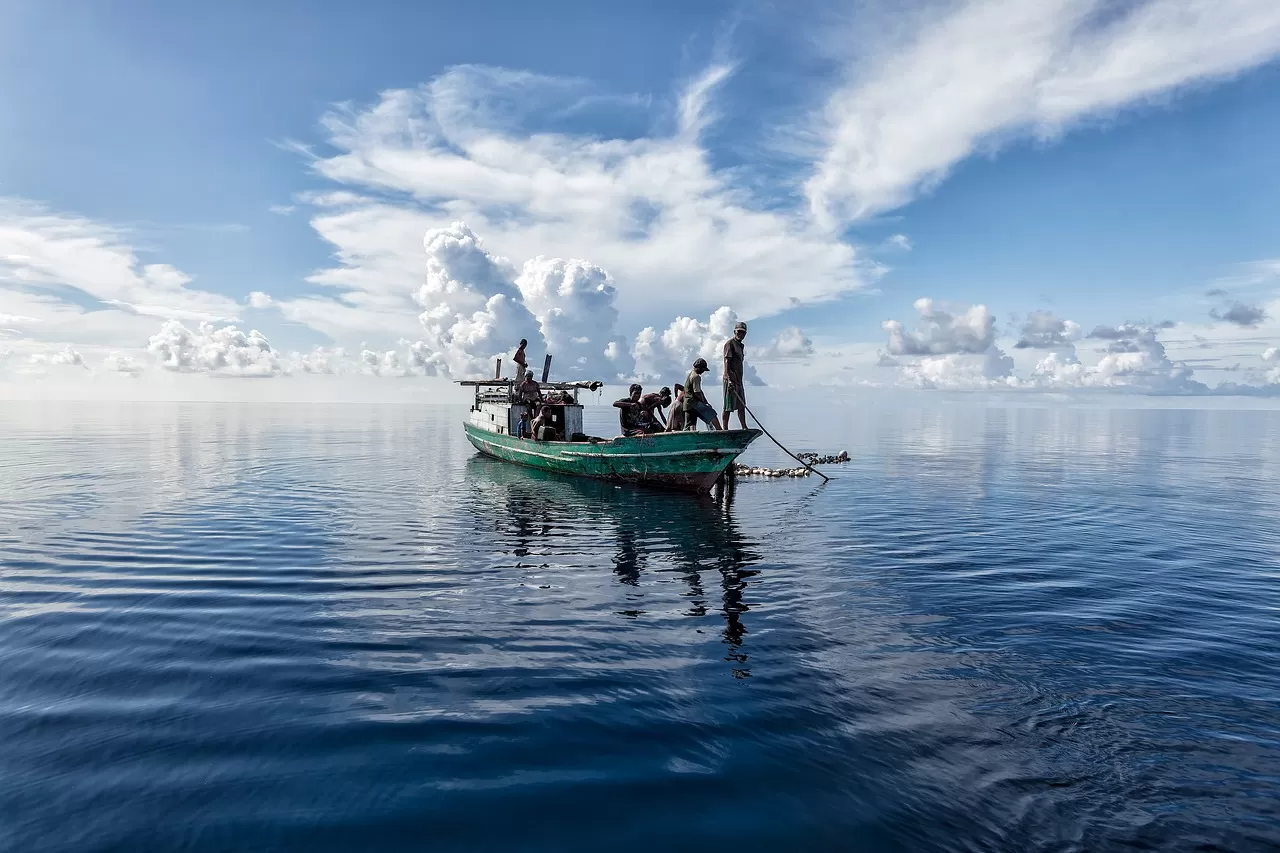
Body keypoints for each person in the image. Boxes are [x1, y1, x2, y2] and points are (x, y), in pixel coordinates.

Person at [722, 321, 748, 430]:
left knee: (742, 405)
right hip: (730, 379)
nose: (740, 334)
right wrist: (729, 379)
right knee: (728, 406)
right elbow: (727, 362)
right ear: (734, 332)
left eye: (742, 332)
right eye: (739, 332)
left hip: (739, 380)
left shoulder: (741, 346)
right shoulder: (730, 344)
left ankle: (744, 427)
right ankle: (725, 429)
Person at [682, 358, 722, 431]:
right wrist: (704, 403)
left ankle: (690, 437)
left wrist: (706, 402)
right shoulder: (696, 377)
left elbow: (699, 391)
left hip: (687, 404)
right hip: (693, 402)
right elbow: (697, 392)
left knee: (691, 424)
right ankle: (720, 431)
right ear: (699, 368)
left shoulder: (691, 374)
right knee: (712, 414)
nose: (703, 372)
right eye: (703, 370)